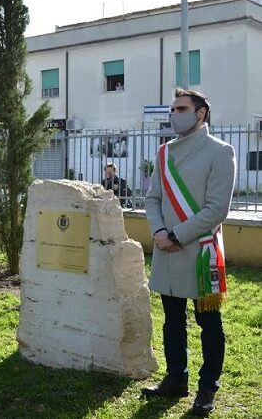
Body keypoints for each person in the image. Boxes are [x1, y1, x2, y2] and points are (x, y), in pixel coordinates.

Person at [142, 89, 236, 416]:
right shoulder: (164, 153)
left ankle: (207, 388)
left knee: (208, 323)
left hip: (199, 252)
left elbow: (217, 209)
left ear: (200, 113)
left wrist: (175, 235)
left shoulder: (221, 152)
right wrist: (157, 232)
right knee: (172, 320)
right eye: (172, 109)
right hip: (167, 249)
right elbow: (153, 199)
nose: (174, 114)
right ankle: (175, 379)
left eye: (181, 108)